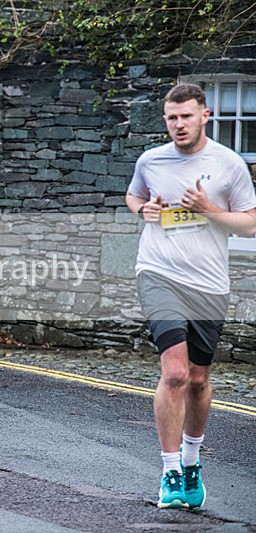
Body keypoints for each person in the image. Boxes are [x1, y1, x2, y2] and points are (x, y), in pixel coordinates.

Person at [126, 83, 256, 509]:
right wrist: (141, 209)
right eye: (171, 118)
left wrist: (208, 209)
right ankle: (170, 472)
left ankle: (192, 460)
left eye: (185, 116)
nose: (178, 124)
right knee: (177, 373)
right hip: (159, 273)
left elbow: (250, 225)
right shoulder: (150, 160)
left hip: (208, 283)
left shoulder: (229, 165)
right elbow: (135, 195)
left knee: (199, 380)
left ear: (205, 116)